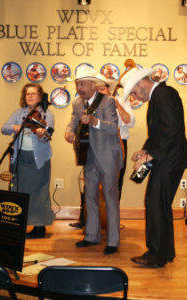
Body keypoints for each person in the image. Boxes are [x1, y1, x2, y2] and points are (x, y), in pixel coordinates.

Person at [120, 65, 187, 267]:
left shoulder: (162, 94)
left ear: (141, 83)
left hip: (170, 160)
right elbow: (161, 132)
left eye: (133, 91)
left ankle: (156, 255)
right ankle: (165, 252)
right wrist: (145, 150)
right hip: (169, 159)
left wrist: (151, 154)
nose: (134, 96)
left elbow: (171, 130)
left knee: (155, 203)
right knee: (160, 205)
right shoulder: (161, 94)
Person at [65, 65, 123, 255]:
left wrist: (94, 121)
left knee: (110, 198)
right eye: (77, 84)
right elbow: (74, 120)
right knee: (89, 197)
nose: (79, 88)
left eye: (82, 84)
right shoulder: (77, 103)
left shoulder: (107, 102)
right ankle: (91, 236)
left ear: (92, 85)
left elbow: (112, 127)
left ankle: (113, 241)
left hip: (107, 156)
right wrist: (70, 131)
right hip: (88, 156)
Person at [1, 83, 55, 238]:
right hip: (20, 158)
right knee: (20, 190)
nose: (30, 96)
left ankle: (39, 227)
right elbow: (4, 128)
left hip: (38, 159)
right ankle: (20, 224)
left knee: (39, 192)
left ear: (40, 96)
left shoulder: (46, 114)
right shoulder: (19, 113)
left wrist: (40, 133)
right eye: (27, 94)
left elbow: (47, 137)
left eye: (33, 93)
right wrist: (17, 127)